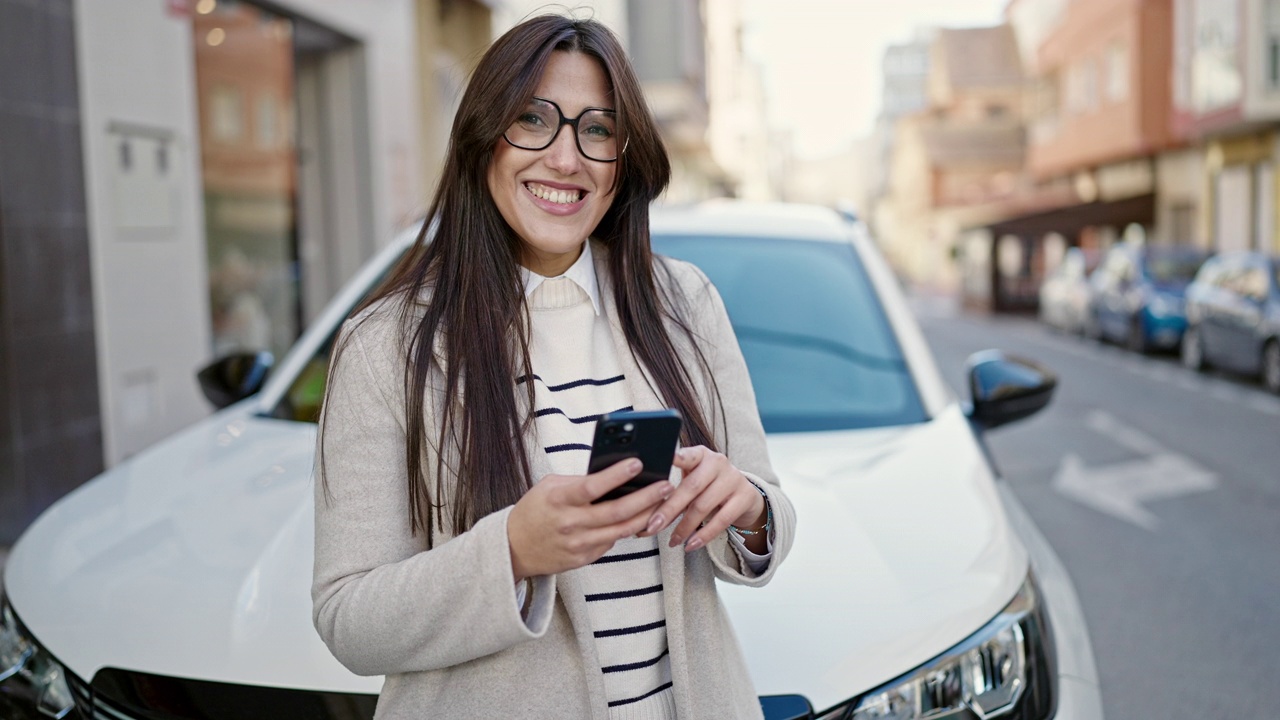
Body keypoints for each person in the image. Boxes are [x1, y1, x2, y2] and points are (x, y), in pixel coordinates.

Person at [312, 14, 794, 720]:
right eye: (533, 120)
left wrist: (746, 508)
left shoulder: (684, 302)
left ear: (622, 159)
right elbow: (348, 618)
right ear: (483, 139)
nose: (566, 158)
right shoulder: (388, 344)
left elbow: (768, 511)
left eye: (596, 129)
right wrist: (510, 552)